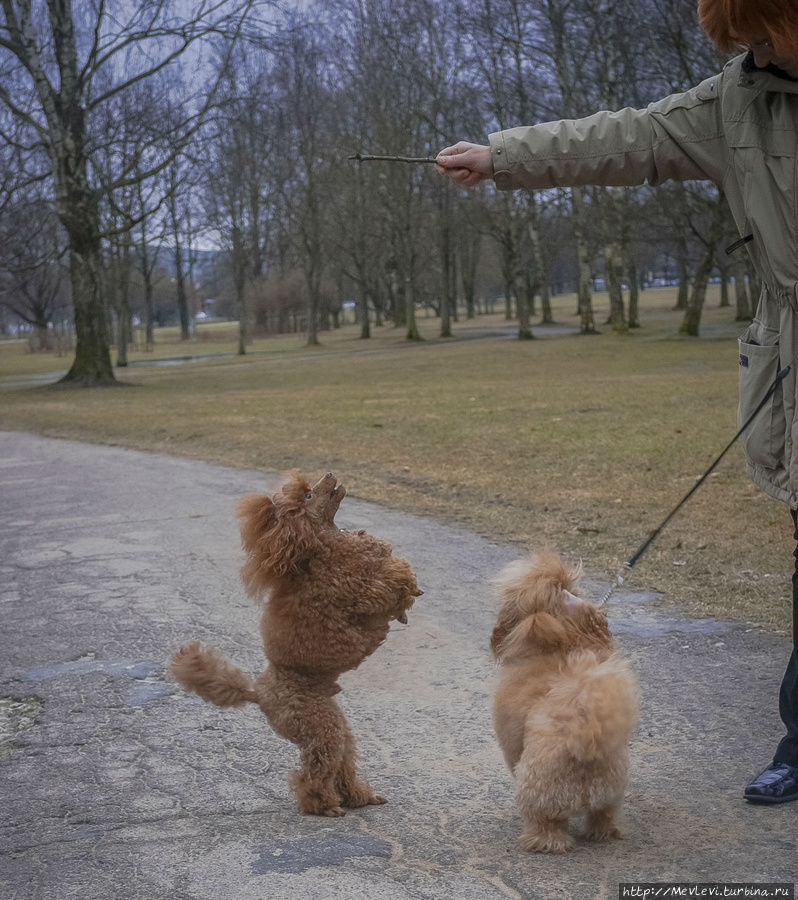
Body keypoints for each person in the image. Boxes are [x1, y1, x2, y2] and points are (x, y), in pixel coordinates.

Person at [436, 0, 798, 805]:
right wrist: (503, 157)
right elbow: (622, 137)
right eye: (742, 40)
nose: (756, 55)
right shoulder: (737, 99)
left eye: (767, 35)